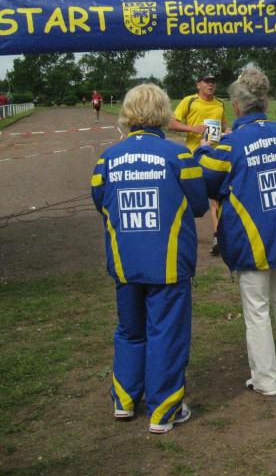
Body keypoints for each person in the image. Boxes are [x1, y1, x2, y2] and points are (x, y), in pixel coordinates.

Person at [90, 83, 208, 434]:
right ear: (163, 113)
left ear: (128, 113)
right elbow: (200, 205)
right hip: (168, 264)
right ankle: (164, 411)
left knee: (129, 330)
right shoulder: (179, 156)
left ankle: (124, 400)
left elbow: (99, 200)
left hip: (125, 262)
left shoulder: (107, 158)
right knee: (166, 333)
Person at [196, 67, 276, 396]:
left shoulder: (231, 143)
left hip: (252, 235)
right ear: (265, 101)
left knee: (257, 310)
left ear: (236, 106)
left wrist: (204, 147)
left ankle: (265, 380)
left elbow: (206, 178)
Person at [168, 73, 228, 255]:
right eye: (207, 82)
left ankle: (218, 237)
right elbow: (171, 123)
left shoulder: (220, 103)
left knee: (216, 199)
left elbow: (224, 126)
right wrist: (192, 128)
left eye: (213, 82)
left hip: (215, 157)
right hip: (194, 157)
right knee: (186, 197)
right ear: (198, 85)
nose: (211, 85)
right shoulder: (189, 101)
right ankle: (179, 233)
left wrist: (228, 132)